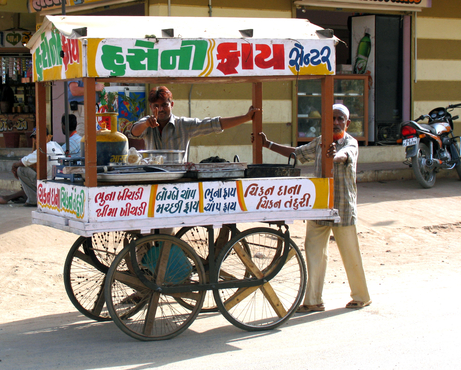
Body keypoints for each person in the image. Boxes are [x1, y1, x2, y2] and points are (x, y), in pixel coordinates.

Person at [257, 103, 371, 312]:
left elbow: (344, 156)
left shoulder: (350, 143)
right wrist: (269, 145)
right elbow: (297, 153)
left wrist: (333, 156)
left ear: (347, 123)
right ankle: (313, 300)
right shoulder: (321, 142)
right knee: (313, 252)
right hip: (319, 205)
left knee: (350, 252)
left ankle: (361, 296)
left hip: (342, 207)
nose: (336, 123)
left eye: (340, 119)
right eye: (332, 119)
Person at [126, 86, 259, 161]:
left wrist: (246, 117)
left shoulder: (183, 124)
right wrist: (147, 124)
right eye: (156, 106)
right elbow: (133, 132)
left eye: (164, 105)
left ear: (171, 105)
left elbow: (214, 124)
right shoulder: (147, 122)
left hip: (179, 180)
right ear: (151, 107)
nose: (160, 109)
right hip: (152, 178)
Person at [0, 126, 64, 207]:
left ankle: (32, 200)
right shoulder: (56, 145)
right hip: (56, 180)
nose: (36, 141)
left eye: (38, 138)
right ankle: (12, 198)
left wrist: (14, 166)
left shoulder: (45, 147)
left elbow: (25, 161)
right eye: (35, 138)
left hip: (52, 184)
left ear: (47, 137)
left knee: (21, 170)